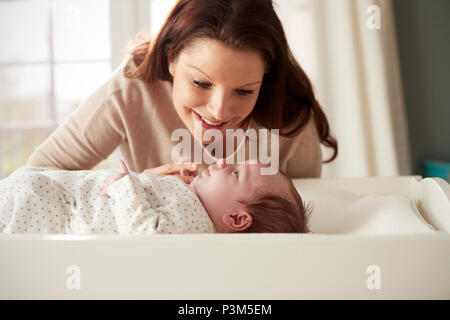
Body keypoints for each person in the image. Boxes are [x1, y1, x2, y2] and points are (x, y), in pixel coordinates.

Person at [25, 0, 337, 179]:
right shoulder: (133, 90)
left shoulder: (291, 118)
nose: (219, 111)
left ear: (266, 78)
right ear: (171, 59)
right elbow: (32, 182)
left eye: (244, 92)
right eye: (201, 83)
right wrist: (135, 187)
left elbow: (304, 220)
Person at [0, 161, 310, 234]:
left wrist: (125, 186)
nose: (221, 162)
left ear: (237, 218)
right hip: (42, 190)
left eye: (234, 173)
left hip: (37, 209)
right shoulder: (191, 204)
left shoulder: (195, 226)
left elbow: (145, 234)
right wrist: (157, 180)